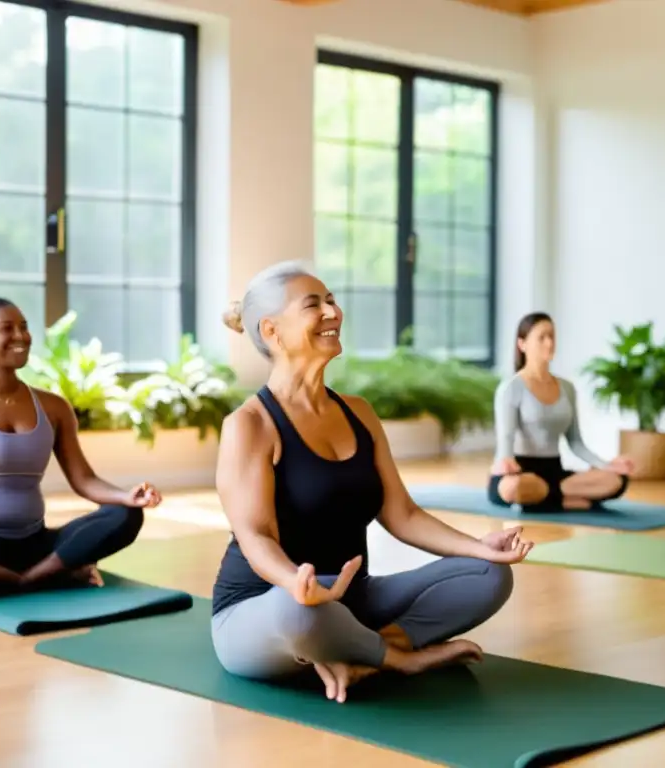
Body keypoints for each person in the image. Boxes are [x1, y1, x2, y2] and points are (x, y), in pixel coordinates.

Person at [210, 262, 529, 704]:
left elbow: (403, 514)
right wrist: (293, 581)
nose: (332, 312)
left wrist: (481, 546)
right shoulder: (250, 425)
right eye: (313, 305)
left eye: (331, 300)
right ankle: (398, 658)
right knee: (300, 613)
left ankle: (366, 648)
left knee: (490, 575)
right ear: (272, 331)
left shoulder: (358, 413)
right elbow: (255, 535)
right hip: (264, 608)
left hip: (353, 601)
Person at [0, 296, 160, 606]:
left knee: (124, 515)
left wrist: (127, 496)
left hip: (34, 543)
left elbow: (83, 478)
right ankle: (40, 574)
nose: (21, 336)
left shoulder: (53, 407)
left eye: (24, 327)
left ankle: (20, 578)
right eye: (7, 328)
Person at [488, 312, 635, 511]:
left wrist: (607, 465)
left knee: (617, 480)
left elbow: (575, 442)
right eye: (541, 337)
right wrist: (505, 463)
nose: (549, 343)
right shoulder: (510, 388)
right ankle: (564, 500)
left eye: (552, 336)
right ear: (522, 344)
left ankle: (545, 501)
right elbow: (506, 440)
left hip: (554, 472)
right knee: (514, 488)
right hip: (521, 473)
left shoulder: (567, 388)